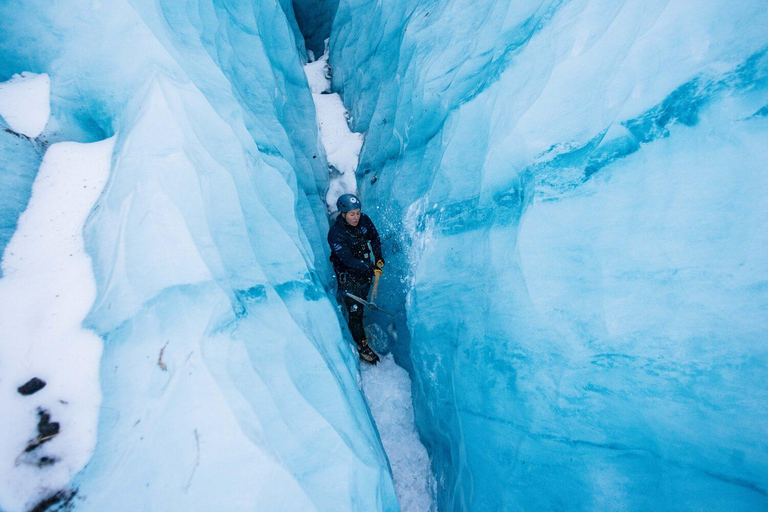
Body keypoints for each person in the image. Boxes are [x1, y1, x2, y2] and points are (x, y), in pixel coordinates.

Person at [327, 194, 384, 364]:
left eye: (358, 213)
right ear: (343, 214)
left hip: (365, 270)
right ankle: (362, 346)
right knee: (355, 311)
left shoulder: (364, 220)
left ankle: (358, 322)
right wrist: (370, 266)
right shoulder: (336, 234)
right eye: (352, 214)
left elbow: (374, 237)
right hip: (348, 276)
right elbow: (348, 260)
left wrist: (378, 256)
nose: (356, 217)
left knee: (362, 302)